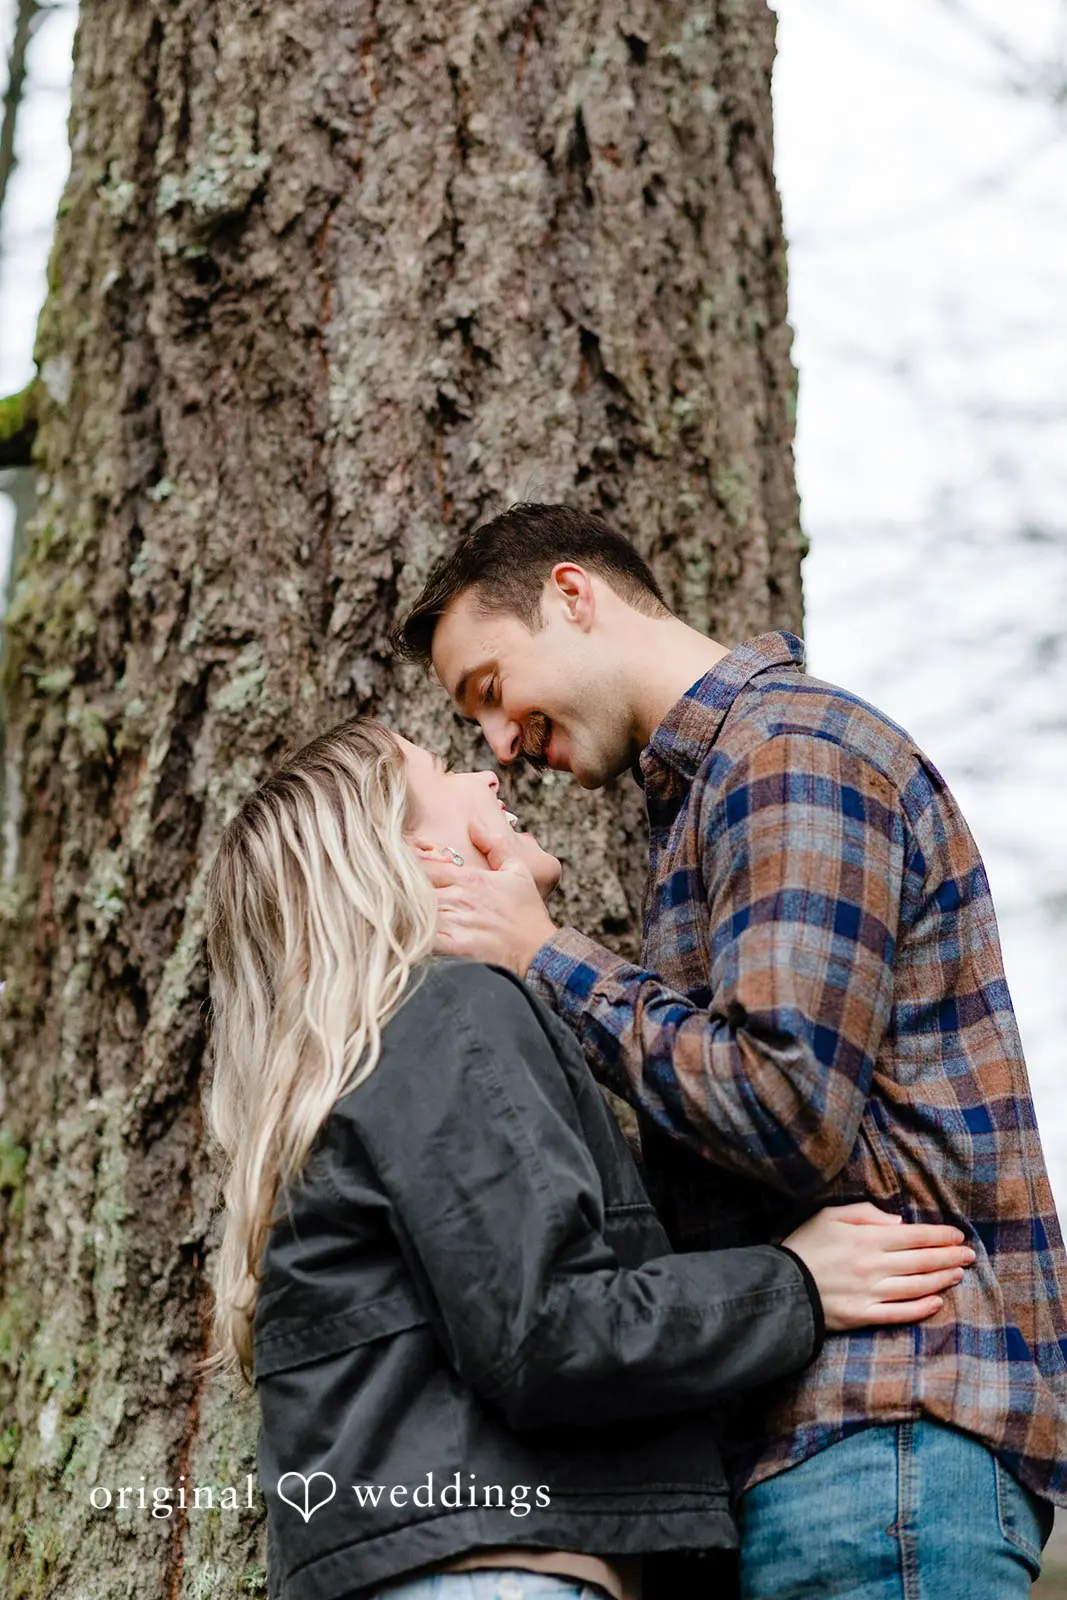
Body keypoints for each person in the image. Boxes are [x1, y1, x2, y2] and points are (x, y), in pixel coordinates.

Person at [393, 500, 1067, 1599]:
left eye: (489, 689)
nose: (501, 743)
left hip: (881, 1429)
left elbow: (784, 1103)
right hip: (827, 1453)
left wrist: (543, 955)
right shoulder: (720, 789)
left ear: (573, 595)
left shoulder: (788, 754)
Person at [198, 718, 974, 1600]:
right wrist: (794, 1283)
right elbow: (548, 1330)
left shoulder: (383, 1056)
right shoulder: (450, 1013)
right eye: (441, 771)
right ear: (417, 856)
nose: (486, 776)